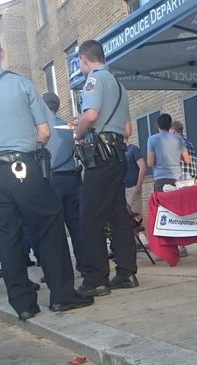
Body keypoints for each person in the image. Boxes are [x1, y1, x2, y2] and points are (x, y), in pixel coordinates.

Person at [0, 28, 92, 319]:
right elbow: (45, 132)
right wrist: (29, 142)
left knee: (6, 236)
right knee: (49, 225)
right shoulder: (20, 84)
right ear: (2, 53)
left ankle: (23, 305)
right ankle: (61, 296)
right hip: (26, 167)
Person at [73, 38, 139, 295]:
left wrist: (78, 132)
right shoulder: (119, 86)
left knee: (89, 217)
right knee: (118, 215)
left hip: (99, 157)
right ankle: (126, 273)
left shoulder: (94, 80)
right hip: (118, 155)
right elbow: (127, 129)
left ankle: (96, 278)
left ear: (83, 59)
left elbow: (90, 116)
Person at [42, 92, 83, 272]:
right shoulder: (68, 128)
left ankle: (58, 271)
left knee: (53, 230)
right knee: (77, 226)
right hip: (71, 179)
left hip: (50, 181)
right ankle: (84, 265)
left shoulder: (39, 130)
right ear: (57, 106)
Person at [147, 113, 190, 192]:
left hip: (161, 180)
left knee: (162, 204)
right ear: (170, 125)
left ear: (157, 125)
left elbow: (150, 163)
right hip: (177, 179)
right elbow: (187, 160)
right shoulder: (179, 139)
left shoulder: (152, 139)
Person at [123, 137, 146, 215]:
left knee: (136, 215)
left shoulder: (133, 149)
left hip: (133, 187)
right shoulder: (118, 153)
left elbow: (142, 167)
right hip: (122, 189)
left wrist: (138, 186)